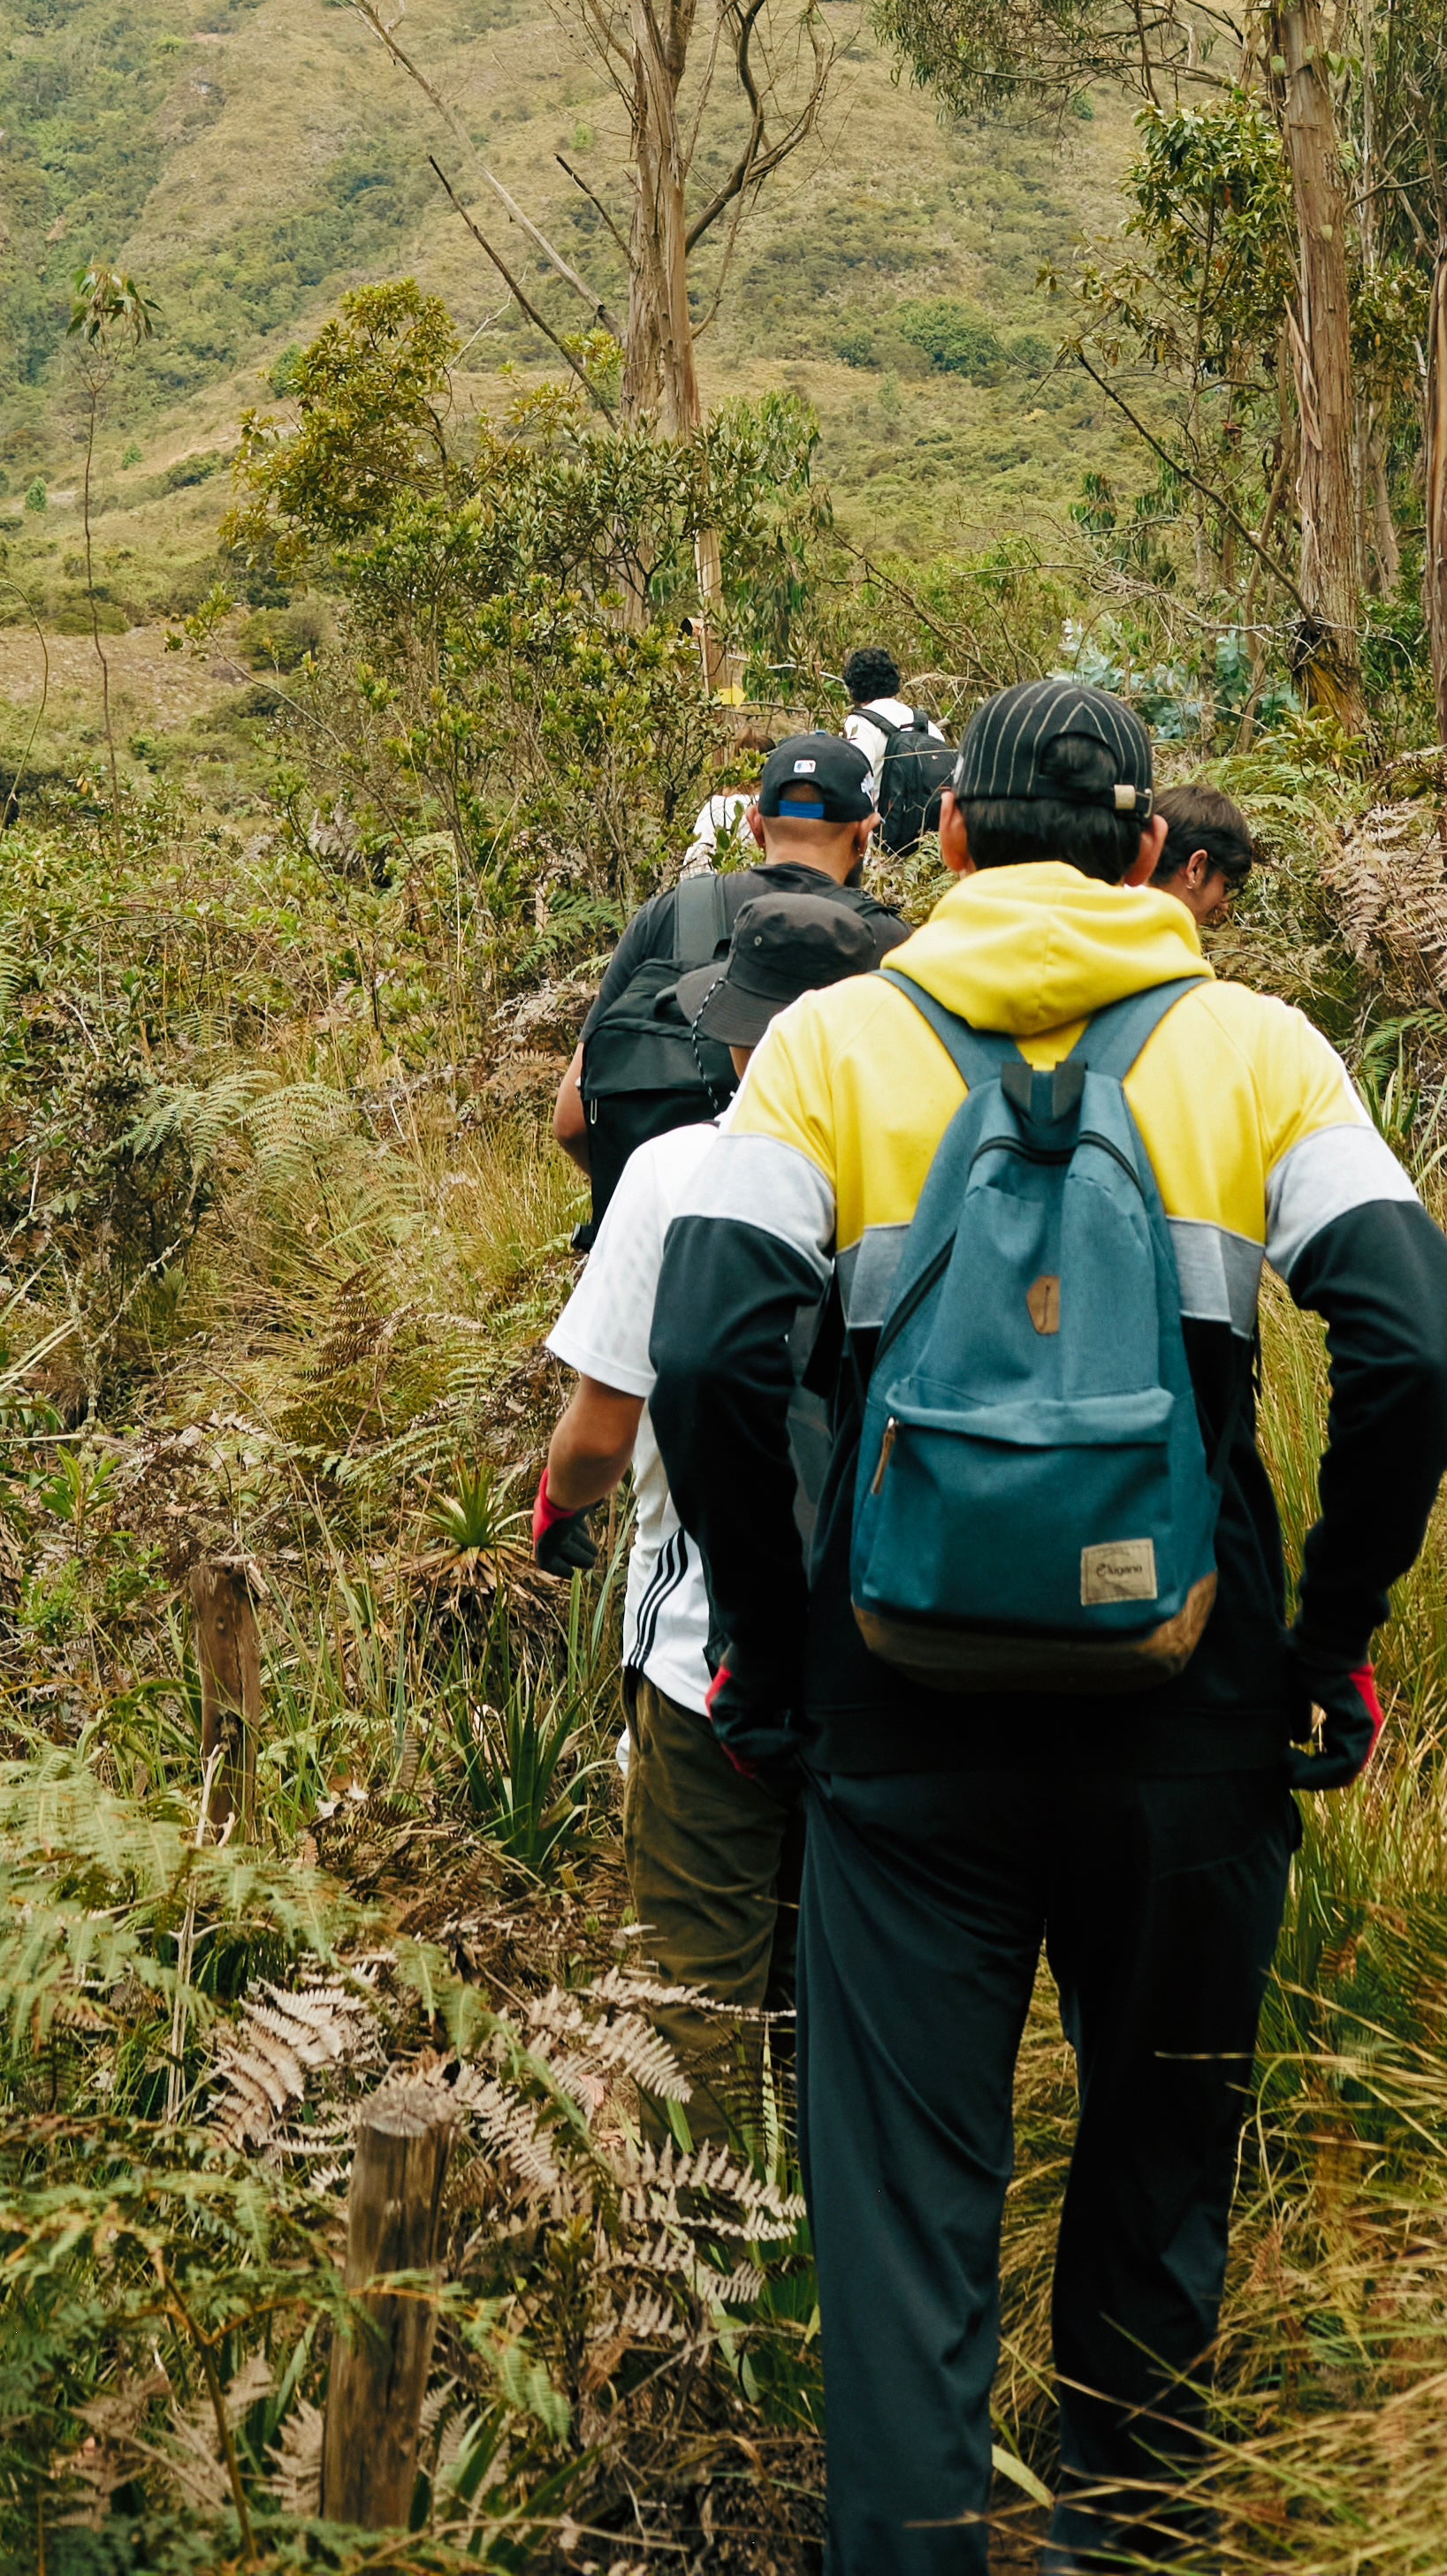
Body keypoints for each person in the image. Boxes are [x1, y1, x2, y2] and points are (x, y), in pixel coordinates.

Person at [651, 675, 1447, 2573]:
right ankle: (1126, 2535)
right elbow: (1406, 1341)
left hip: (898, 1721)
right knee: (1160, 2187)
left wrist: (778, 1653)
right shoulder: (1257, 1046)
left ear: (948, 839)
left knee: (906, 2217)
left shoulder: (838, 1045)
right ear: (1148, 853)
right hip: (1194, 1716)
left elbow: (705, 1357)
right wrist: (1327, 1639)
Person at [530, 885, 896, 2126]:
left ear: (736, 1035)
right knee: (841, 1983)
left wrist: (551, 1502)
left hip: (712, 1659)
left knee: (701, 1997)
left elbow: (601, 1430)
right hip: (905, 1637)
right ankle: (825, 2266)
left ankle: (712, 2285)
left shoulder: (683, 1170)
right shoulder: (937, 1161)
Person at [556, 736, 904, 1231]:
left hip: (653, 1252)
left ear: (756, 825)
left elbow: (571, 1119)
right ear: (864, 835)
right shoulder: (892, 945)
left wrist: (651, 1199)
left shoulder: (673, 913)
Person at [841, 645, 956, 861]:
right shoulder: (925, 723)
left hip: (882, 847)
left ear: (853, 687)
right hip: (930, 847)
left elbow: (852, 781)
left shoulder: (860, 723)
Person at [1150, 780, 1266, 937]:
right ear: (1195, 869)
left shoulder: (1108, 917)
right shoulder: (1173, 957)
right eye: (1226, 887)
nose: (1224, 906)